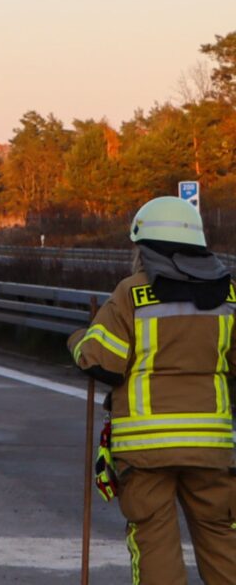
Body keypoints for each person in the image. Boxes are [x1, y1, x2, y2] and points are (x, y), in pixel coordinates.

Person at [69, 196, 235, 584]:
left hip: (146, 450)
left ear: (144, 248)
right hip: (211, 449)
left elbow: (99, 361)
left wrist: (78, 338)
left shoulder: (132, 293)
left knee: (155, 540)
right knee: (222, 540)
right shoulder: (229, 297)